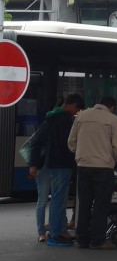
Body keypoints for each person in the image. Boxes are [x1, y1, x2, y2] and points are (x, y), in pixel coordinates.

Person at [68, 96, 117, 250]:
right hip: (103, 167)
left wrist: (80, 155)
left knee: (84, 203)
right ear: (112, 107)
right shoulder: (113, 119)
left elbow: (71, 142)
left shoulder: (81, 116)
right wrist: (111, 157)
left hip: (83, 166)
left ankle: (82, 240)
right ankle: (97, 240)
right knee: (101, 204)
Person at [28, 93, 85, 246]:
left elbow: (36, 140)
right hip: (62, 163)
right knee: (59, 199)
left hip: (52, 162)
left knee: (57, 199)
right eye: (77, 109)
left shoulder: (51, 118)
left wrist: (33, 163)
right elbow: (71, 143)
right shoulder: (66, 120)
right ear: (73, 105)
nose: (76, 112)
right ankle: (55, 233)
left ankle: (59, 230)